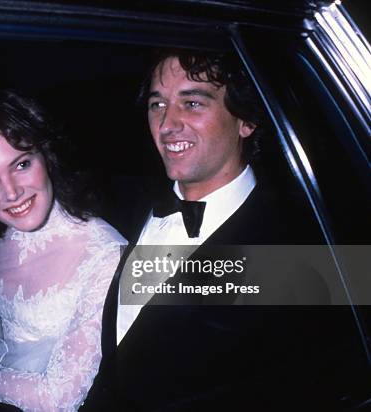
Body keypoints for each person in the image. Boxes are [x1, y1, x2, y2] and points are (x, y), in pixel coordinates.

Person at [80, 49, 352, 410]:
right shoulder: (126, 206)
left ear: (246, 120)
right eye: (157, 105)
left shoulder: (301, 250)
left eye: (192, 103)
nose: (167, 125)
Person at [0, 90, 126, 411]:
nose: (11, 193)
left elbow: (57, 399)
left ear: (47, 156)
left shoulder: (105, 254)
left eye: (21, 164)